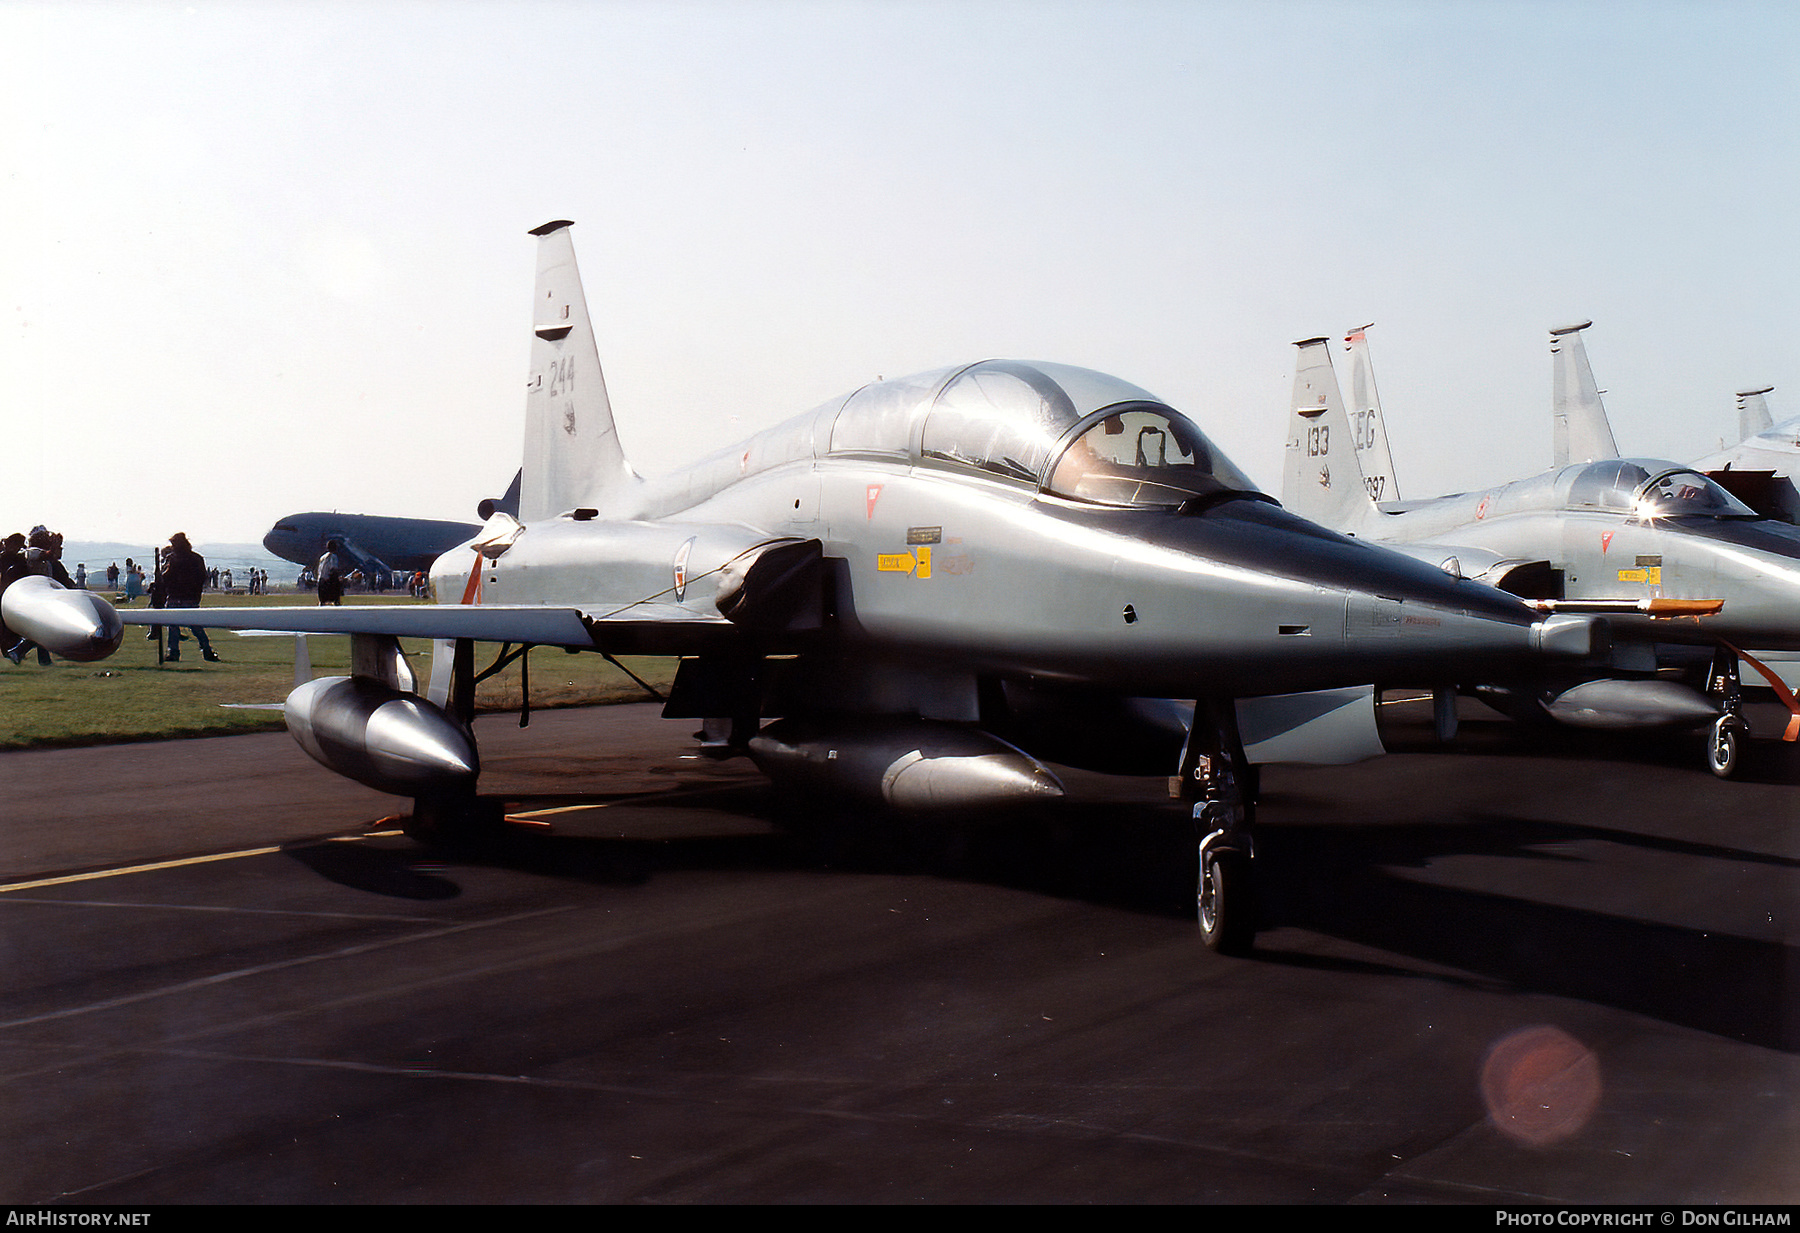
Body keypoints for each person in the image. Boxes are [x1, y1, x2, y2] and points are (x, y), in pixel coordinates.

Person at [157, 533, 219, 663]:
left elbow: (165, 578)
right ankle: (207, 651)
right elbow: (202, 578)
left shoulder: (172, 559)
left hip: (176, 596)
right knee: (195, 626)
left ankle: (174, 652)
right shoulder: (196, 559)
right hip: (189, 597)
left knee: (174, 626)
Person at [316, 539, 345, 605]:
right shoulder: (333, 557)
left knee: (323, 599)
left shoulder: (323, 557)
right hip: (328, 580)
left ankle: (322, 602)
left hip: (321, 579)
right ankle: (336, 601)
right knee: (337, 583)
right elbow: (333, 568)